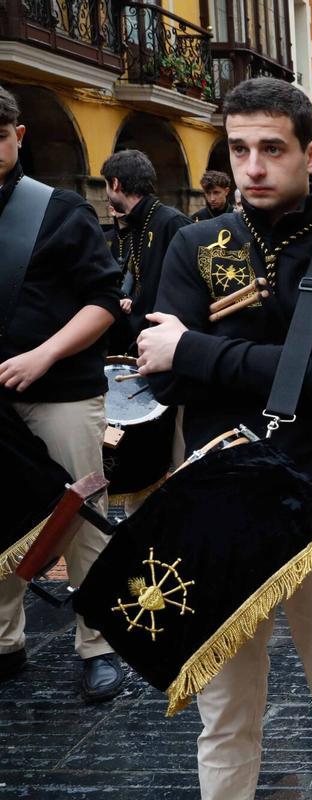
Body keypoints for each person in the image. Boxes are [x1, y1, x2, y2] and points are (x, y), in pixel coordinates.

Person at [137, 77, 312, 799]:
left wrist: (196, 350)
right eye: (240, 148)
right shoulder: (193, 244)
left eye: (272, 149)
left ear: (311, 155)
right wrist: (269, 367)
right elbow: (160, 378)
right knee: (224, 716)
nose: (252, 166)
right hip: (218, 499)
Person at [0, 84, 124, 702]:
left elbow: (105, 302)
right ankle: (5, 641)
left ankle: (97, 646)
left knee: (79, 522)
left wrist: (43, 354)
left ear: (18, 136)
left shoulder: (60, 210)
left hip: (63, 393)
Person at [101, 149, 191, 354]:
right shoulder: (137, 222)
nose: (106, 192)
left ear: (115, 184)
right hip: (140, 339)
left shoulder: (172, 223)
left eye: (106, 185)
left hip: (166, 342)